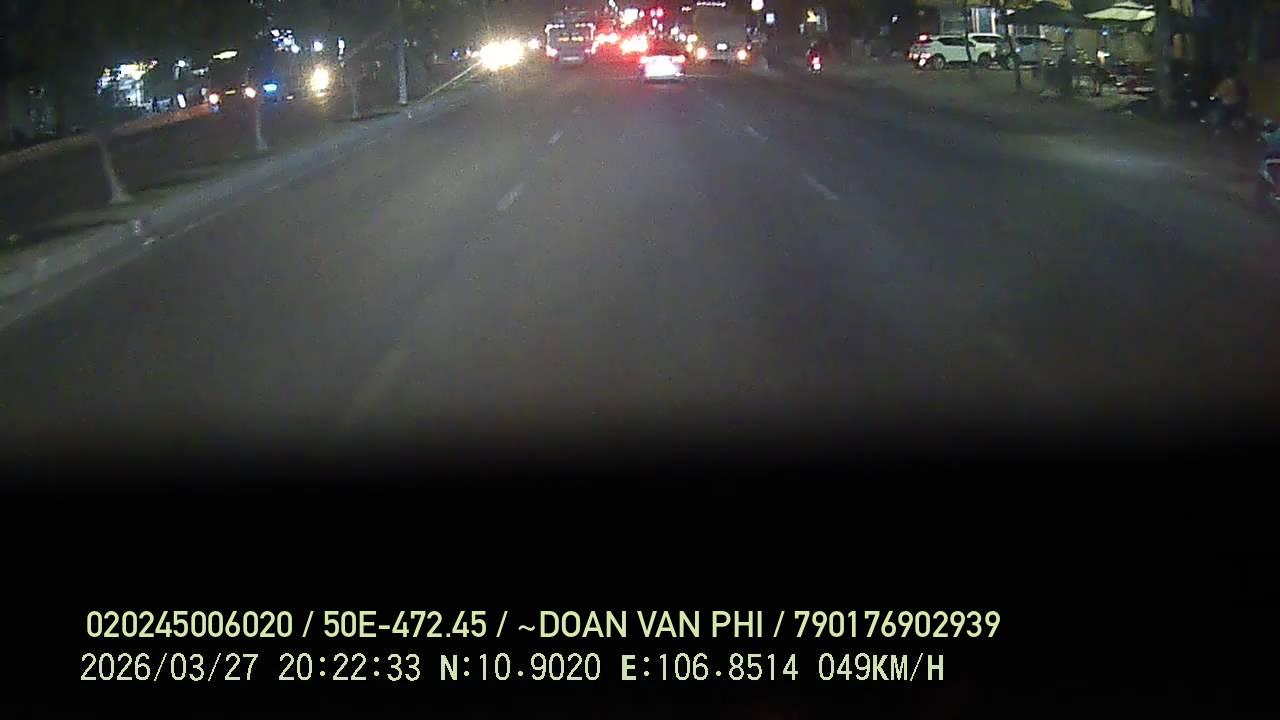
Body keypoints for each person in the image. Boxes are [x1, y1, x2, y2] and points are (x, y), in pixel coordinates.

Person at [1209, 64, 1247, 133]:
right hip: (1238, 103)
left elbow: (1219, 93)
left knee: (1219, 119)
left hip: (1227, 104)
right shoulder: (1239, 82)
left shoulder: (1225, 83)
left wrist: (1214, 95)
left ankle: (1219, 130)